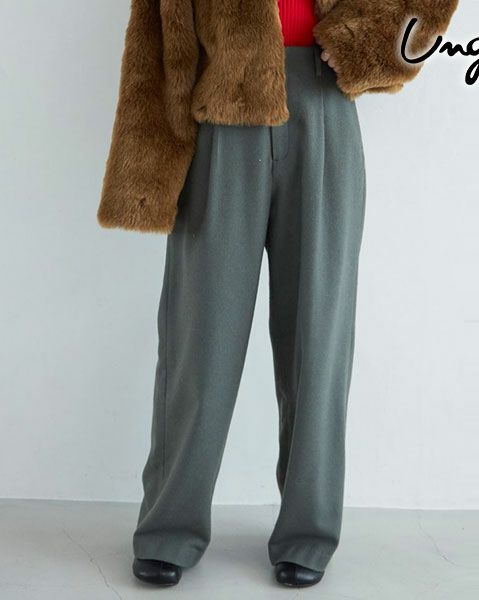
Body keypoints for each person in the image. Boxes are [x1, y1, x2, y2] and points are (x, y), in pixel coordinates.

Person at [97, 0, 458, 588]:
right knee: (199, 340)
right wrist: (148, 167)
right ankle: (168, 530)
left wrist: (363, 44)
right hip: (220, 120)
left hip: (325, 110)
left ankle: (308, 535)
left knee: (318, 340)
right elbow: (156, 45)